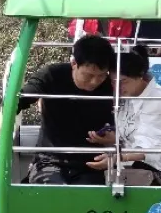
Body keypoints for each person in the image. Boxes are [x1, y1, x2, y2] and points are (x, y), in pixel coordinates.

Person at [11, 33, 116, 184]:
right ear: (74, 64)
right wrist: (5, 113)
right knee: (51, 194)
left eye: (101, 76)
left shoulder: (111, 86)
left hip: (90, 164)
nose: (94, 82)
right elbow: (23, 97)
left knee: (88, 201)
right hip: (50, 161)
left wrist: (113, 137)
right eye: (88, 75)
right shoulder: (52, 75)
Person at [85, 46, 161, 186]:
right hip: (136, 169)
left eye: (123, 81)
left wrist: (116, 158)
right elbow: (131, 139)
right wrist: (113, 139)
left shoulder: (157, 101)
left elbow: (149, 149)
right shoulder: (127, 97)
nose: (118, 88)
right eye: (114, 82)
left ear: (140, 76)